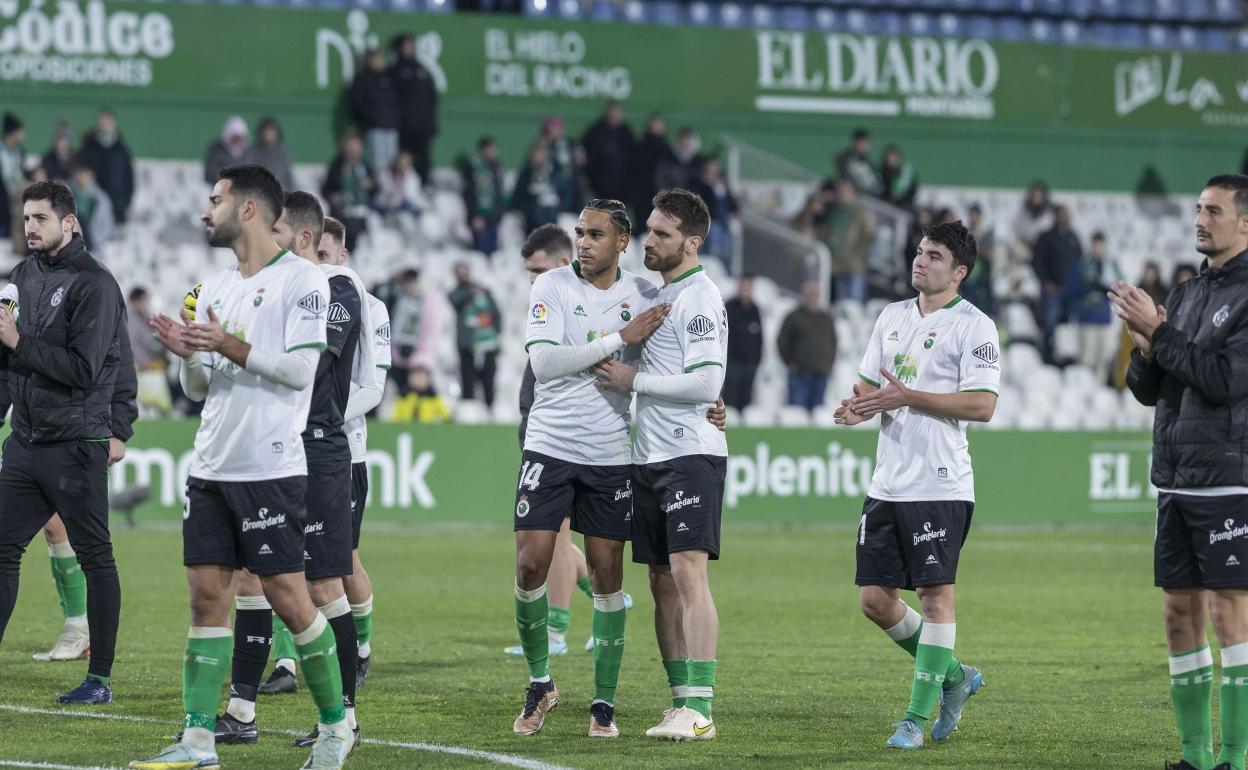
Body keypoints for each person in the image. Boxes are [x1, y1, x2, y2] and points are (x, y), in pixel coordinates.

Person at [133, 165, 353, 769]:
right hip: (211, 465)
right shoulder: (212, 287)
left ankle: (336, 727)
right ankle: (199, 740)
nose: (206, 212)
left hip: (270, 467)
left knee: (288, 597)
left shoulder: (305, 282)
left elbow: (301, 372)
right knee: (207, 598)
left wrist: (226, 345)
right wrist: (186, 355)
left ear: (249, 209)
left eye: (216, 201)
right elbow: (201, 388)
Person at [221, 191, 377, 750]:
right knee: (249, 575)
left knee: (321, 583)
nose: (268, 242)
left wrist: (235, 342)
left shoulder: (337, 290)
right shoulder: (272, 285)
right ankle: (241, 710)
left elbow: (307, 367)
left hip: (317, 451)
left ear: (305, 238)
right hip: (270, 448)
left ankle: (345, 718)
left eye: (278, 233)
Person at [834, 219, 998, 750]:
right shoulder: (891, 316)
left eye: (933, 256)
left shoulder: (975, 326)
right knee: (874, 601)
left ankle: (913, 719)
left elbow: (983, 405)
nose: (920, 261)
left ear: (959, 272)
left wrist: (909, 397)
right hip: (889, 482)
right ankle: (954, 677)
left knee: (933, 597)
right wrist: (857, 406)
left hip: (940, 483)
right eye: (920, 252)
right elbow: (868, 382)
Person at [509, 199, 669, 739]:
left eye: (596, 234)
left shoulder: (645, 294)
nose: (584, 242)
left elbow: (669, 365)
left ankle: (604, 701)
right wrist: (617, 340)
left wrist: (711, 406)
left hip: (608, 455)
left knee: (606, 575)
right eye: (580, 232)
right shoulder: (551, 286)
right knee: (531, 565)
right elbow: (544, 363)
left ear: (622, 242)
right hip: (550, 446)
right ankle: (540, 683)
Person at [1115, 174, 1248, 770]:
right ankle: (1195, 758)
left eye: (1213, 210)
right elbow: (1150, 390)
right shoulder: (1190, 292)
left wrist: (1161, 333)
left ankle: (1236, 757)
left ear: (1244, 223)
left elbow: (1224, 380)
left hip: (1228, 476)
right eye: (1197, 208)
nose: (1200, 218)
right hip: (1174, 477)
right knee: (1178, 613)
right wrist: (1146, 347)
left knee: (1229, 613)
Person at [593, 188, 728, 741]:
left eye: (663, 234)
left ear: (691, 243)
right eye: (649, 229)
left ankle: (701, 706)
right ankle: (680, 701)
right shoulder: (658, 291)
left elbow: (707, 382)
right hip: (648, 456)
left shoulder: (700, 297)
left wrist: (634, 380)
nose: (650, 240)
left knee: (688, 574)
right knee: (660, 580)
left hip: (689, 454)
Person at [0, 180, 135, 705]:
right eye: (26, 218)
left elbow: (84, 369)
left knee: (96, 557)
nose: (30, 227)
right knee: (2, 549)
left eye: (40, 218)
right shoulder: (20, 275)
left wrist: (17, 340)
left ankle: (98, 678)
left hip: (76, 442)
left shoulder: (95, 284)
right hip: (27, 442)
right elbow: (13, 365)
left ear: (69, 222)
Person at [503, 224, 602, 660]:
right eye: (528, 271)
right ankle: (605, 598)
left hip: (571, 443)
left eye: (538, 269)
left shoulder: (588, 309)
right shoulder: (549, 304)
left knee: (556, 538)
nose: (532, 279)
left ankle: (558, 629)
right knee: (552, 539)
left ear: (565, 263)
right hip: (539, 433)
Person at [1066, 232, 1119, 382]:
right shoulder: (1082, 265)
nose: (1098, 248)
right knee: (1087, 356)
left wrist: (1105, 288)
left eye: (1101, 245)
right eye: (1095, 245)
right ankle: (1083, 387)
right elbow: (1073, 288)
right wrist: (1091, 287)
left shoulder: (1110, 265)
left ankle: (1100, 393)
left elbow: (1119, 288)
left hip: (1103, 317)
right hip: (1087, 316)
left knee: (1102, 357)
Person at [1032, 204, 1082, 363]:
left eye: (1066, 214)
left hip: (1070, 291)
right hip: (1052, 291)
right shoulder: (1046, 237)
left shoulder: (1073, 237)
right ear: (1055, 217)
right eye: (1061, 214)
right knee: (1050, 327)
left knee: (1067, 328)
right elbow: (1037, 262)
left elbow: (1079, 262)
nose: (1064, 218)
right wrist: (1046, 282)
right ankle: (1047, 359)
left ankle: (1066, 361)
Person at [778, 280, 837, 411]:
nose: (813, 296)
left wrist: (828, 365)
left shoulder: (826, 318)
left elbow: (833, 344)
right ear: (804, 295)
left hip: (820, 376)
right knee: (797, 416)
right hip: (799, 376)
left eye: (816, 293)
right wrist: (790, 363)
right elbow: (782, 342)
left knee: (818, 416)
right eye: (810, 293)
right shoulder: (793, 317)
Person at [448, 262, 501, 406]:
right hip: (467, 345)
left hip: (487, 343)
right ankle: (468, 411)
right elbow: (455, 301)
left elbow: (496, 314)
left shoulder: (483, 291)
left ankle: (490, 409)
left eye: (465, 271)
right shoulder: (457, 292)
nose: (463, 275)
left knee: (489, 379)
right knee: (467, 380)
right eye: (460, 272)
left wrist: (496, 333)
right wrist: (472, 291)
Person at [390, 33, 438, 187]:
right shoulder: (395, 71)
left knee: (424, 161)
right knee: (403, 161)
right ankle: (401, 191)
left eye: (411, 45)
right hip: (404, 126)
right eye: (406, 46)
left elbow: (432, 97)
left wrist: (430, 123)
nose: (409, 49)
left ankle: (424, 188)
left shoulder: (422, 70)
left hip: (422, 126)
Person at [322, 130, 377, 253]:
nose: (353, 150)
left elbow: (377, 190)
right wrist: (334, 196)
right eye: (350, 146)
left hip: (363, 212)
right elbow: (326, 190)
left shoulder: (366, 167)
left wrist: (371, 185)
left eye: (356, 147)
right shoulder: (336, 166)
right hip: (342, 213)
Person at [77, 109, 134, 226]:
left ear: (114, 124)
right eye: (102, 122)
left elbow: (129, 179)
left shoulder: (121, 151)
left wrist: (125, 202)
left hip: (117, 207)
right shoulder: (89, 147)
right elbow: (80, 172)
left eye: (108, 122)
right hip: (93, 206)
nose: (105, 125)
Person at [826, 178, 876, 305]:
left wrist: (857, 254)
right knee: (842, 305)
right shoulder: (835, 212)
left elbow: (869, 234)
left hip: (855, 267)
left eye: (845, 191)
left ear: (852, 192)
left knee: (855, 305)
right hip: (838, 265)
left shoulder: (861, 211)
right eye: (839, 191)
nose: (841, 194)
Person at [351, 48, 401, 174]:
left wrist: (395, 119)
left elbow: (396, 102)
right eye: (376, 59)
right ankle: (377, 188)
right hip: (373, 127)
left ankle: (390, 190)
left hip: (390, 126)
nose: (380, 62)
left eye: (381, 59)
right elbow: (357, 103)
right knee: (377, 163)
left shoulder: (389, 79)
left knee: (392, 162)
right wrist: (369, 119)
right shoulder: (362, 79)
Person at [128, 287, 172, 417]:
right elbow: (150, 343)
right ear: (137, 300)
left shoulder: (133, 317)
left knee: (144, 409)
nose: (146, 303)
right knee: (150, 409)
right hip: (144, 368)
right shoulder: (134, 320)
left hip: (140, 367)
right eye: (144, 300)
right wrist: (165, 342)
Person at [581, 102, 634, 203]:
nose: (614, 116)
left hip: (622, 185)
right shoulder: (595, 131)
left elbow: (632, 157)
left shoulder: (625, 132)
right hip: (599, 185)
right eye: (612, 113)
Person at [460, 136, 505, 255]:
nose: (493, 152)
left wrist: (499, 211)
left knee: (494, 251)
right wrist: (474, 215)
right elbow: (469, 193)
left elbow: (498, 191)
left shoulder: (495, 167)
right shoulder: (473, 167)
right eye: (490, 149)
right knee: (480, 251)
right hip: (479, 215)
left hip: (493, 215)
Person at [724, 275, 762, 410]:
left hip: (750, 365)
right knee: (730, 403)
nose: (745, 290)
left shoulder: (755, 310)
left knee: (746, 402)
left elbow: (759, 339)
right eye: (743, 286)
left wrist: (757, 361)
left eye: (748, 287)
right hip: (732, 364)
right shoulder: (729, 307)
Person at [511, 141, 566, 234]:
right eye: (535, 154)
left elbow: (565, 196)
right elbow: (518, 199)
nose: (537, 157)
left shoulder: (556, 173)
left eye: (540, 153)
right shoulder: (525, 175)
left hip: (553, 217)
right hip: (532, 221)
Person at [68, 161, 114, 249]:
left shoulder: (101, 199)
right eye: (79, 173)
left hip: (94, 247)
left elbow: (108, 226)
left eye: (85, 173)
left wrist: (97, 241)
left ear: (92, 175)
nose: (82, 177)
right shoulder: (68, 194)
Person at [243, 117, 294, 191]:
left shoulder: (282, 154)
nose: (269, 135)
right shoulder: (253, 152)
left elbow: (288, 177)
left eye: (272, 132)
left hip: (280, 194)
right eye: (267, 131)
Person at [202, 116, 250, 186]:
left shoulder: (249, 153)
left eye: (239, 138)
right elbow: (209, 175)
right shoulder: (216, 151)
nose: (236, 141)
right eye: (234, 138)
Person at [0, 112, 25, 242]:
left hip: (16, 191)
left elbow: (20, 173)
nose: (23, 134)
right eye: (20, 131)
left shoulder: (18, 151)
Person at [834, 128, 880, 197]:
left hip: (874, 195)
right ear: (854, 142)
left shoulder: (868, 160)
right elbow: (847, 180)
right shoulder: (846, 159)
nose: (864, 145)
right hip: (859, 196)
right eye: (860, 143)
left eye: (865, 143)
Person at [880, 144, 918, 210]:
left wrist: (900, 198)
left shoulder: (906, 173)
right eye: (889, 157)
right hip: (885, 205)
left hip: (904, 205)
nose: (892, 160)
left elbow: (912, 189)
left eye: (894, 157)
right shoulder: (881, 173)